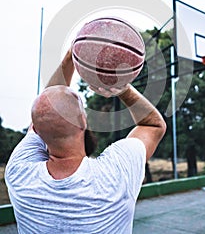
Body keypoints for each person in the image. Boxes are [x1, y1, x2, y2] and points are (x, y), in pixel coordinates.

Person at [5, 46, 166, 234]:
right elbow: (154, 125)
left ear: (36, 131)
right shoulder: (115, 173)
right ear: (83, 121)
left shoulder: (18, 172)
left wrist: (69, 58)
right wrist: (121, 88)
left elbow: (47, 109)